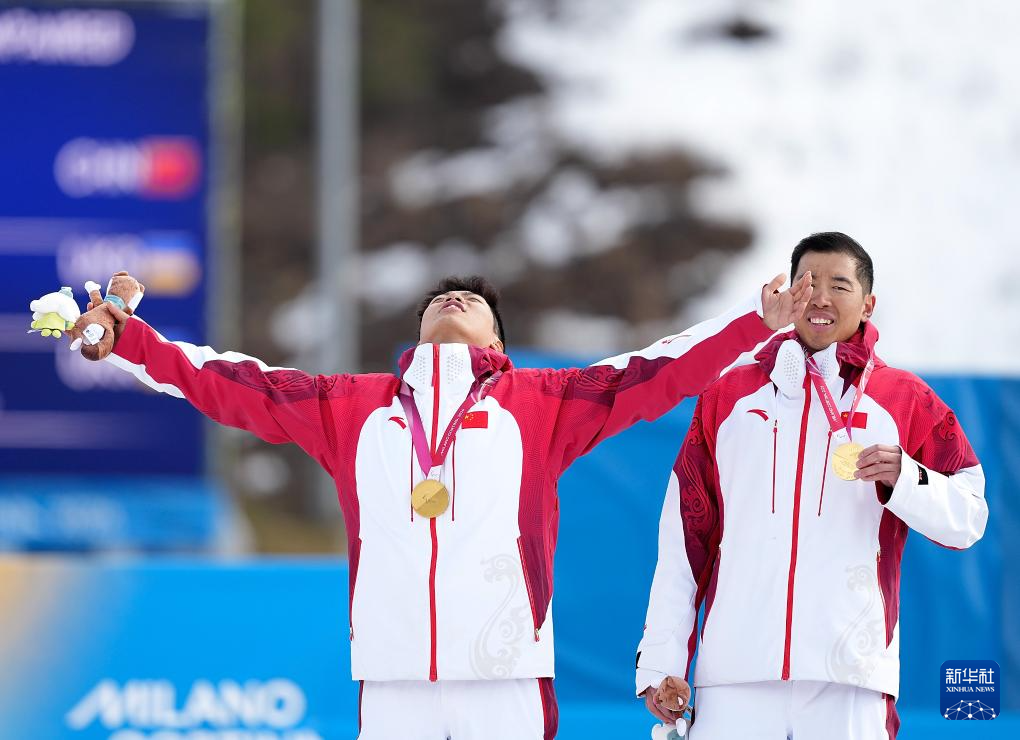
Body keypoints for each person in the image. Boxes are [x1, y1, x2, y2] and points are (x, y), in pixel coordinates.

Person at [92, 269, 811, 740]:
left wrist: (754, 323)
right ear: (416, 333)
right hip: (393, 677)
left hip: (505, 676)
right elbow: (233, 384)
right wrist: (131, 340)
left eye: (473, 302)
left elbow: (654, 371)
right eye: (439, 300)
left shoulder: (544, 403)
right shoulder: (350, 407)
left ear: (498, 339)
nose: (452, 301)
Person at [635, 233, 988, 740]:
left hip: (850, 677)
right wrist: (661, 662)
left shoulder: (905, 399)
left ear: (868, 305)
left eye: (839, 285)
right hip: (735, 675)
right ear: (789, 295)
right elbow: (684, 543)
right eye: (808, 283)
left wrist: (907, 477)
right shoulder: (728, 396)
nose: (821, 298)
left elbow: (969, 518)